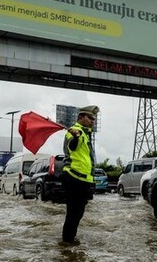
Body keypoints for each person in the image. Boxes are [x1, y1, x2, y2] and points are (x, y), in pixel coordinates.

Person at [61, 105, 100, 244]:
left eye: (94, 119)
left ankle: (70, 240)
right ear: (80, 118)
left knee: (78, 214)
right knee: (73, 213)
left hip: (83, 180)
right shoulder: (74, 132)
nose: (92, 121)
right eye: (90, 118)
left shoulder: (86, 133)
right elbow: (72, 146)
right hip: (73, 177)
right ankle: (67, 244)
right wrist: (76, 137)